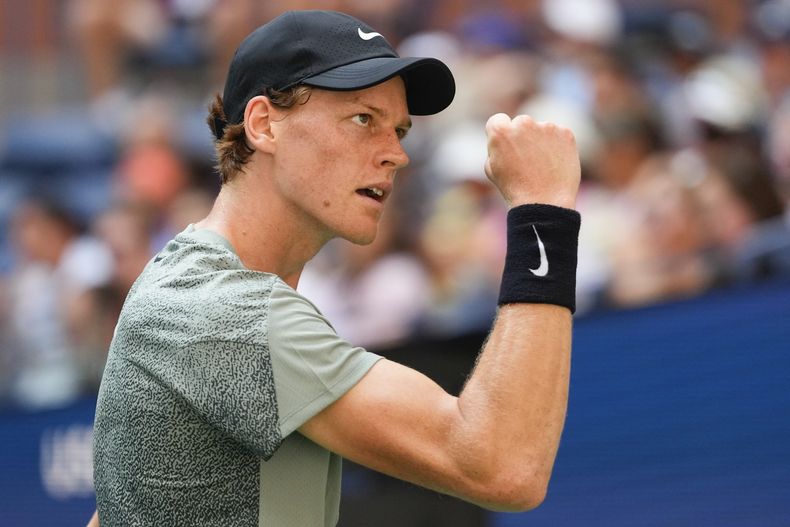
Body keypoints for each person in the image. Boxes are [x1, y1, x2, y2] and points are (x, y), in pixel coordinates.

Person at [89, 9, 581, 527]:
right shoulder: (225, 313)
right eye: (363, 119)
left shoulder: (189, 289)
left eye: (400, 130)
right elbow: (502, 465)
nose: (396, 154)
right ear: (263, 125)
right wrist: (542, 210)